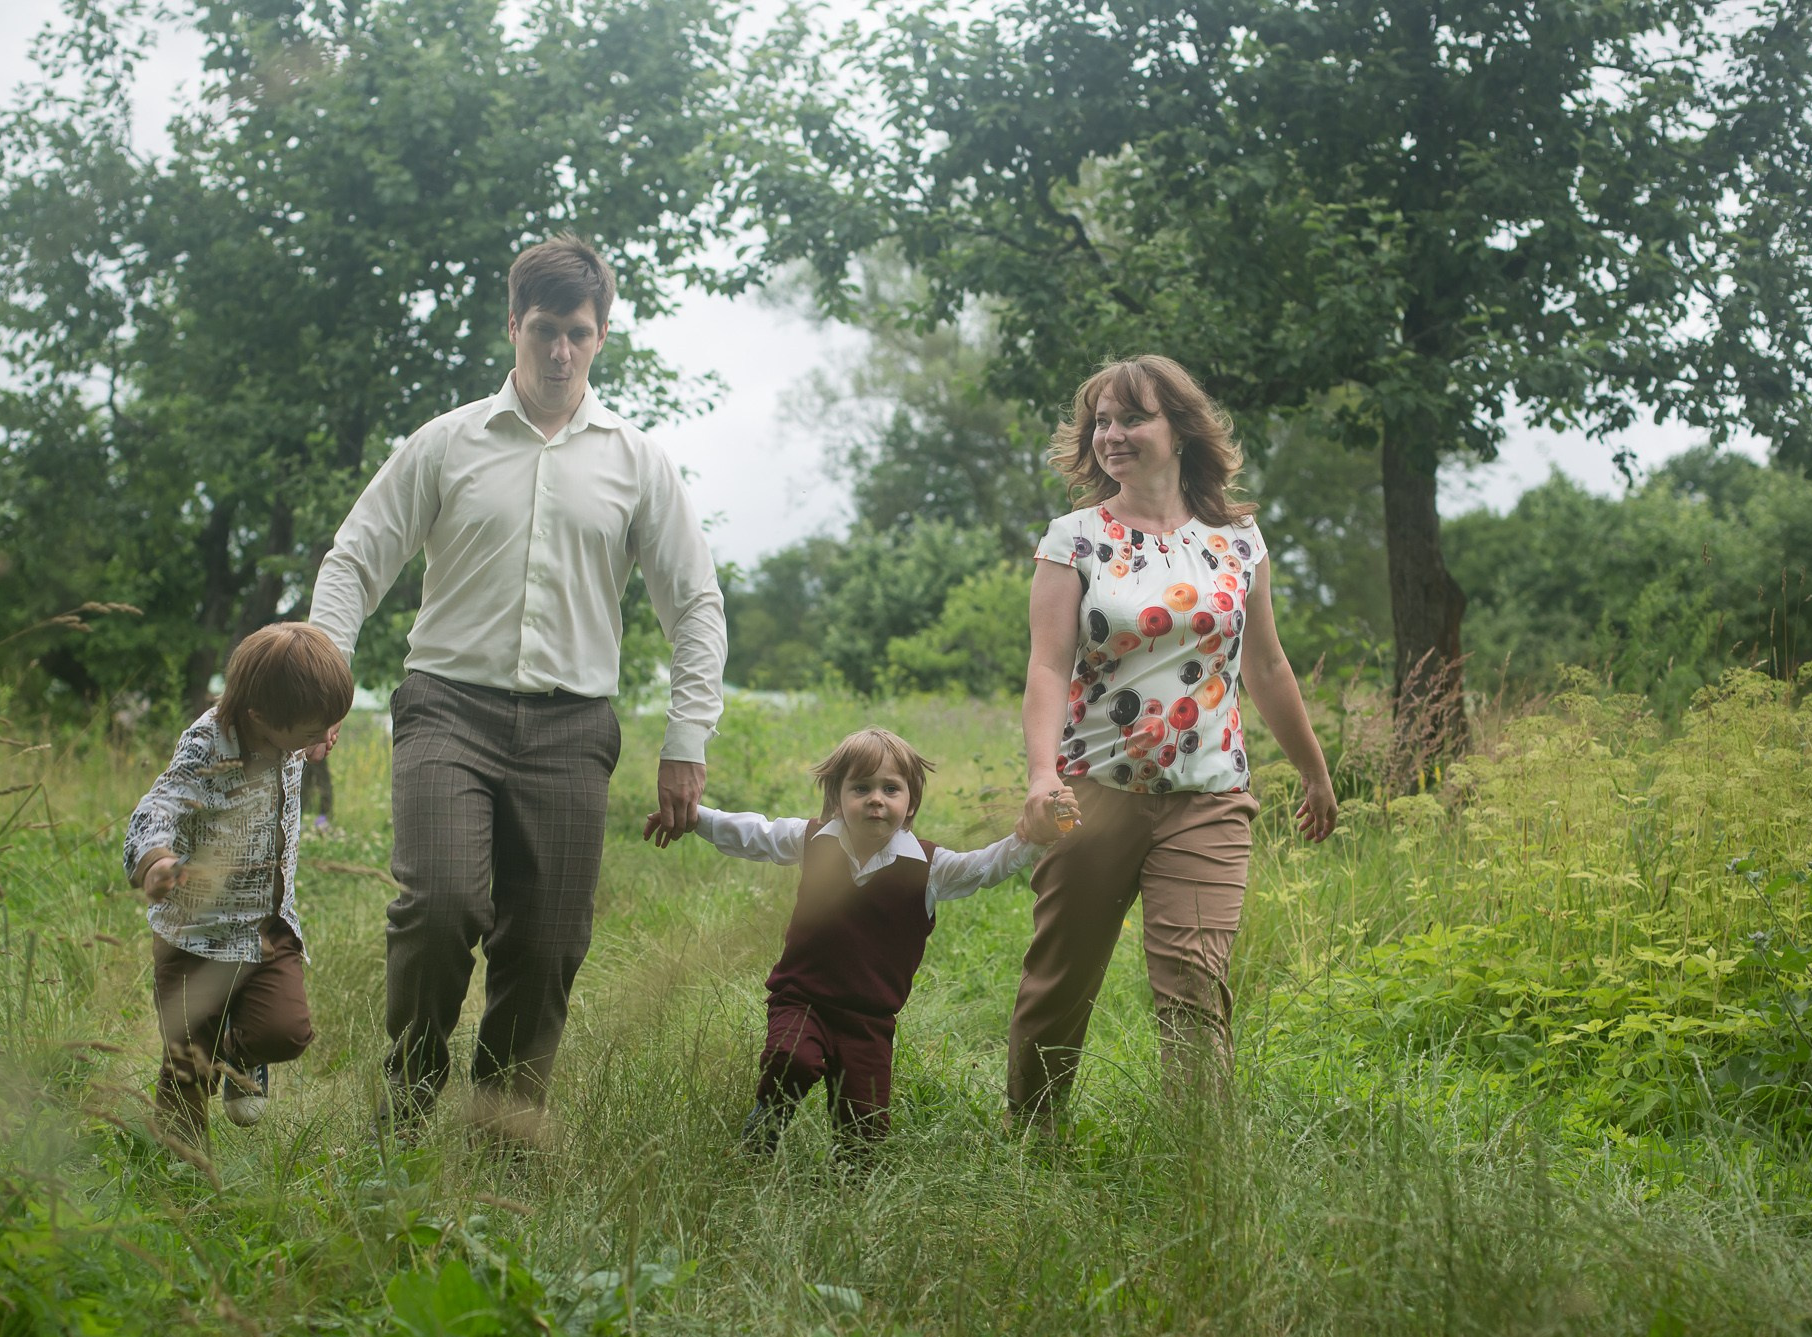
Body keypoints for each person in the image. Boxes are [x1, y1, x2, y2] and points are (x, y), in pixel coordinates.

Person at [308, 235, 728, 1144]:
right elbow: (354, 560)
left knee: (547, 942)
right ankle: (406, 1105)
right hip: (446, 710)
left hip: (572, 728)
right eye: (544, 330)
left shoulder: (636, 462)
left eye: (578, 332)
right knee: (440, 905)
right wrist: (322, 680)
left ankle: (501, 1127)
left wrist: (686, 739)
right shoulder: (447, 443)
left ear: (601, 336)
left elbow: (694, 603)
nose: (559, 352)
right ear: (513, 326)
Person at [1010, 355, 1337, 1129]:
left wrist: (1315, 772)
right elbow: (1048, 667)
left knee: (1196, 987)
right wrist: (1040, 775)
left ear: (1180, 429)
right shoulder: (1074, 539)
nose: (1112, 435)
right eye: (1102, 422)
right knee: (1062, 983)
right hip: (1092, 795)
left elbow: (1267, 665)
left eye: (1133, 418)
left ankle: (1199, 1156)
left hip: (1210, 796)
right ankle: (1034, 1140)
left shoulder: (1238, 540)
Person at [651, 728, 1060, 1157]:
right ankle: (765, 1126)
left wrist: (1032, 838)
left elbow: (985, 867)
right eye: (861, 788)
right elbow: (755, 833)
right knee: (792, 1059)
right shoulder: (813, 841)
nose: (875, 799)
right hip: (801, 999)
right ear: (837, 799)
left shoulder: (929, 867)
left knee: (863, 1133)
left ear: (911, 803)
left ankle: (850, 1179)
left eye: (890, 789)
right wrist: (693, 817)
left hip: (869, 1019)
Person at [125, 621, 354, 1144]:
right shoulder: (207, 744)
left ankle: (241, 1050)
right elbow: (160, 803)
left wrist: (319, 728)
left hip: (265, 927)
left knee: (287, 1033)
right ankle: (182, 1169)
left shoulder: (289, 723)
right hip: (195, 937)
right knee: (187, 1066)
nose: (322, 739)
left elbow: (311, 717)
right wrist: (155, 859)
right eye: (312, 731)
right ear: (260, 719)